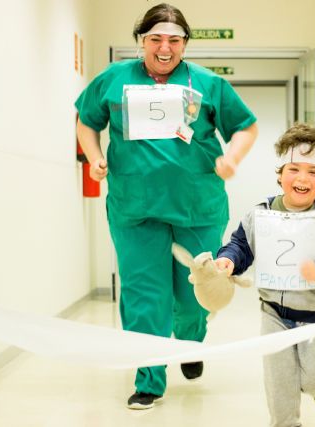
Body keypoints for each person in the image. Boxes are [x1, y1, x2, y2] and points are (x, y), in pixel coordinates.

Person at [75, 3, 258, 410]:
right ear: (141, 41)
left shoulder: (209, 84)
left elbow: (246, 126)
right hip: (134, 208)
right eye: (155, 39)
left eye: (174, 40)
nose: (164, 47)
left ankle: (189, 343)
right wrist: (93, 156)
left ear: (185, 44)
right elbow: (86, 121)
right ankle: (150, 379)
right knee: (143, 295)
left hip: (197, 206)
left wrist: (233, 159)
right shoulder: (113, 79)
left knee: (195, 295)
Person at [215, 123, 315, 427]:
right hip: (272, 313)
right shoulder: (260, 214)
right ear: (281, 174)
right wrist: (229, 260)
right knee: (279, 382)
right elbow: (240, 245)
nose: (302, 178)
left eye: (314, 172)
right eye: (294, 169)